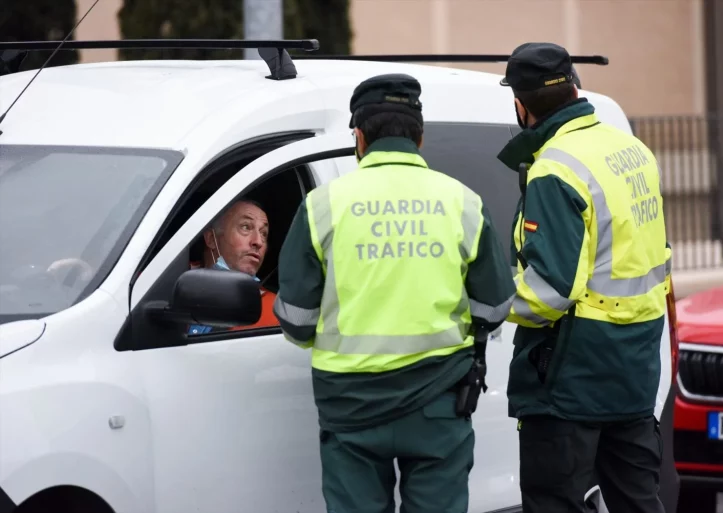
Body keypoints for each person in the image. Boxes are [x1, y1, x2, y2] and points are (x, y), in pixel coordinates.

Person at [273, 73, 516, 513]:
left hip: (351, 407)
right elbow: (495, 305)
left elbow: (296, 319)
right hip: (439, 402)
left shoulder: (322, 205)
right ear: (419, 139)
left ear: (359, 138)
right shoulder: (462, 201)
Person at [497, 42, 672, 513]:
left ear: (520, 104)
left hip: (571, 377)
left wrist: (490, 302)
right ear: (575, 86)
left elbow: (547, 294)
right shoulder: (633, 150)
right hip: (635, 370)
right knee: (638, 501)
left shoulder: (556, 168)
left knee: (555, 501)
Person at [188, 198, 278, 334]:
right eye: (246, 227)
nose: (258, 242)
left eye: (264, 233)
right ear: (211, 238)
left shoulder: (273, 310)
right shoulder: (167, 277)